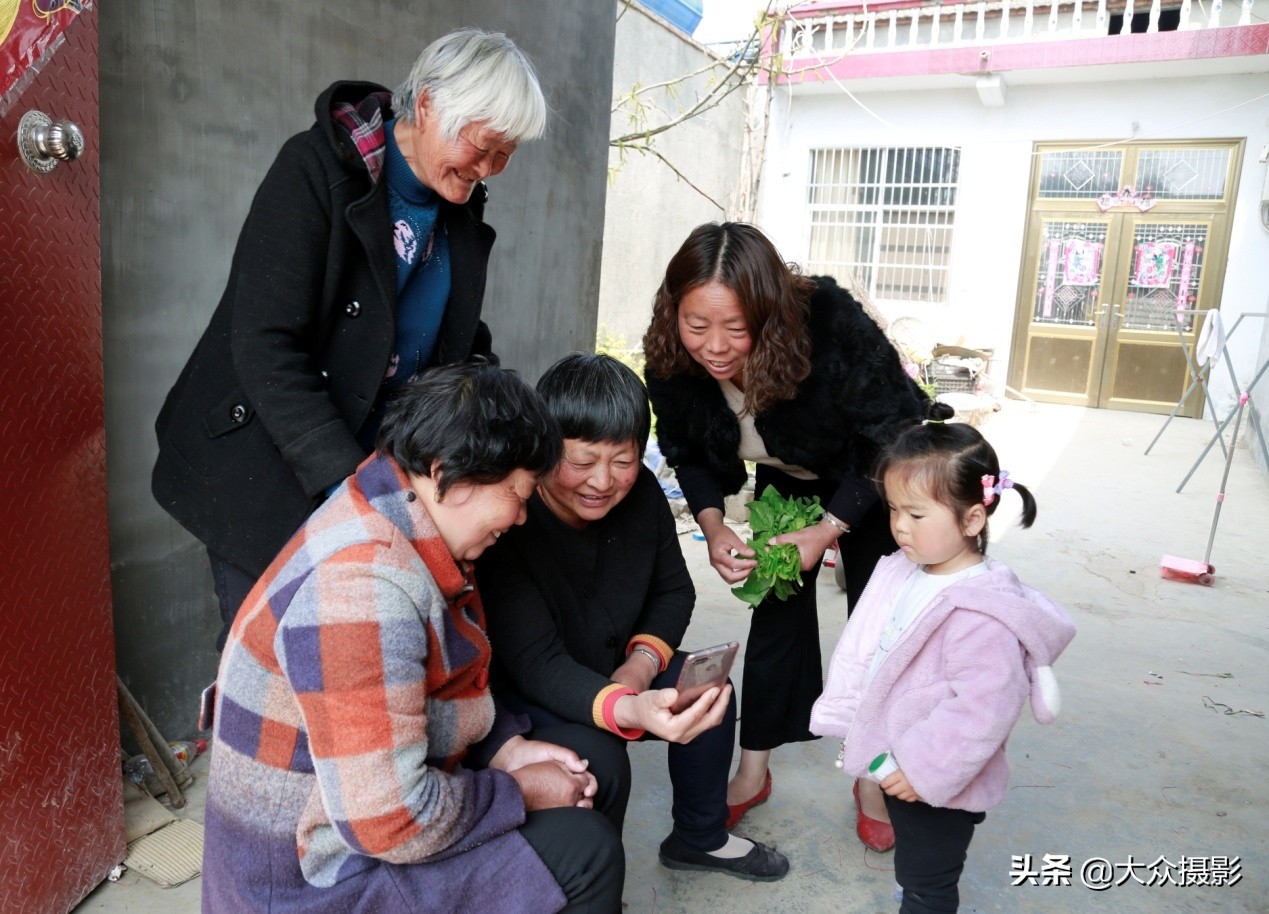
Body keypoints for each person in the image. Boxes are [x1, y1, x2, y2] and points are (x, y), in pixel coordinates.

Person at [151, 28, 547, 649]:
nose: (490, 168)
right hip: (271, 461)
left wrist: (504, 428)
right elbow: (265, 344)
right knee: (279, 668)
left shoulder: (461, 215)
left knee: (360, 666)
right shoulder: (315, 172)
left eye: (505, 155)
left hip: (372, 475)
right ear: (428, 106)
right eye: (483, 146)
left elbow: (460, 345)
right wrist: (353, 488)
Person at [201, 362, 624, 914]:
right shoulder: (362, 588)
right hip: (312, 881)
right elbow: (390, 821)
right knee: (585, 853)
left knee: (596, 761)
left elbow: (430, 693)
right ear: (449, 472)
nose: (521, 518)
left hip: (355, 815)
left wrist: (506, 748)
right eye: (515, 495)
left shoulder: (397, 506)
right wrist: (520, 791)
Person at [641, 222, 927, 845]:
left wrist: (830, 529)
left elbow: (893, 429)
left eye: (736, 329)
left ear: (768, 313)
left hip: (871, 472)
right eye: (697, 326)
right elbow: (685, 448)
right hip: (789, 477)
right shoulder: (670, 352)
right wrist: (714, 526)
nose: (714, 347)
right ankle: (753, 771)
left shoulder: (825, 320)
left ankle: (872, 773)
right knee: (774, 612)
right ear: (675, 312)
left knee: (879, 623)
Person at [477, 354, 789, 881]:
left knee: (707, 687)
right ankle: (597, 882)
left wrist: (641, 668)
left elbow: (674, 590)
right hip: (536, 692)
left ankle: (699, 835)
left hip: (619, 667)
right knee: (602, 762)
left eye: (622, 460)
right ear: (545, 448)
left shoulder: (642, 494)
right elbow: (537, 664)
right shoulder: (515, 522)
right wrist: (628, 706)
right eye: (582, 460)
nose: (603, 481)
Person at [810, 420, 1076, 913]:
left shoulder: (981, 614)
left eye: (916, 513)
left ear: (972, 519)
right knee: (917, 867)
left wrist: (923, 768)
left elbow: (985, 709)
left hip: (937, 780)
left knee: (928, 888)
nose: (899, 526)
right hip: (901, 762)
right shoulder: (908, 572)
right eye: (892, 509)